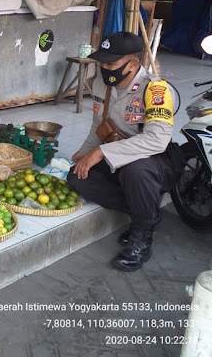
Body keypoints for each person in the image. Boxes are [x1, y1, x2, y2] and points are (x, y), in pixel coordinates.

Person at [67, 31, 176, 272]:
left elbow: (157, 140)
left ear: (133, 63)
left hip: (150, 164)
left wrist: (102, 153)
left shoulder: (156, 90)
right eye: (102, 62)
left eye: (111, 63)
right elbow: (99, 125)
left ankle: (142, 234)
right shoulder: (100, 83)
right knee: (77, 177)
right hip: (115, 155)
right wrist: (85, 152)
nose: (104, 68)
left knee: (135, 170)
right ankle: (145, 211)